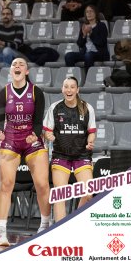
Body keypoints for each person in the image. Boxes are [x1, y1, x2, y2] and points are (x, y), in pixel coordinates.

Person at [0, 57, 51, 246]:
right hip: (10, 138)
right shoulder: (3, 93)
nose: (17, 66)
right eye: (14, 65)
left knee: (42, 184)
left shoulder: (36, 91)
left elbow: (38, 121)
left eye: (21, 64)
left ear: (26, 71)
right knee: (6, 184)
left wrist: (35, 134)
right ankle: (0, 232)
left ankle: (45, 225)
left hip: (31, 139)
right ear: (11, 71)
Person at [43, 77, 96, 222]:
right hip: (61, 155)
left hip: (81, 155)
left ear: (77, 90)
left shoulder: (87, 108)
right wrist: (49, 135)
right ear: (62, 89)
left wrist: (90, 142)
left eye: (72, 87)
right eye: (66, 87)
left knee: (89, 192)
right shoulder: (55, 108)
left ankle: (75, 221)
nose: (69, 90)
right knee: (60, 194)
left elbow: (92, 132)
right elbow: (46, 131)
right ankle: (61, 229)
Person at [64, 5, 109, 73]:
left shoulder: (101, 25)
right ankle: (74, 76)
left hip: (99, 53)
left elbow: (101, 42)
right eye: (87, 12)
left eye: (91, 11)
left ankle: (88, 77)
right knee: (68, 56)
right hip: (85, 53)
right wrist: (84, 35)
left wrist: (91, 34)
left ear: (95, 13)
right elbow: (79, 44)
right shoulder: (84, 26)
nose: (89, 13)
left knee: (88, 55)